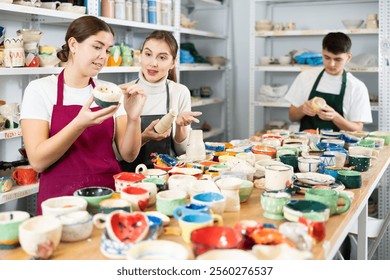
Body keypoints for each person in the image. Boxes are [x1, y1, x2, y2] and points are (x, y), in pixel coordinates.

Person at [20, 16, 147, 214]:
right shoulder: (39, 90)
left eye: (107, 49)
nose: (104, 56)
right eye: (97, 47)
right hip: (60, 203)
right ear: (73, 44)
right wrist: (79, 124)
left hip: (108, 198)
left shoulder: (110, 91)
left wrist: (133, 118)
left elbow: (128, 155)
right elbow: (37, 161)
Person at [119, 30, 202, 171]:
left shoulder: (180, 92)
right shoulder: (124, 93)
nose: (153, 63)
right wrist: (145, 137)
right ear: (141, 56)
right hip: (129, 177)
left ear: (173, 63)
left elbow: (182, 152)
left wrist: (180, 126)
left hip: (167, 175)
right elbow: (119, 154)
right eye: (148, 54)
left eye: (162, 57)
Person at [285, 32, 372, 132]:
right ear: (322, 53)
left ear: (348, 57)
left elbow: (358, 129)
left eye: (337, 59)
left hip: (340, 146)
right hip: (306, 145)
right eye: (327, 58)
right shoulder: (305, 77)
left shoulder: (357, 87)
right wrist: (303, 109)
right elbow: (292, 117)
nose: (331, 64)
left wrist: (335, 117)